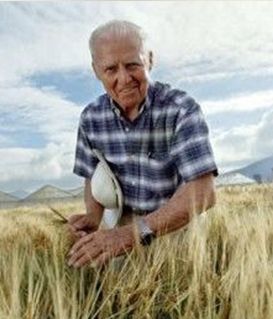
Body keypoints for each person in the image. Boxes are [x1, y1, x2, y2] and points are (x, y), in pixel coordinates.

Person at [67, 20, 218, 268]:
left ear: (149, 60)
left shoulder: (180, 109)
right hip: (119, 229)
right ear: (96, 71)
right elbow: (91, 175)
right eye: (111, 69)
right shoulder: (90, 118)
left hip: (175, 226)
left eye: (132, 65)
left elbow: (203, 193)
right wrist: (93, 218)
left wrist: (133, 234)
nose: (124, 79)